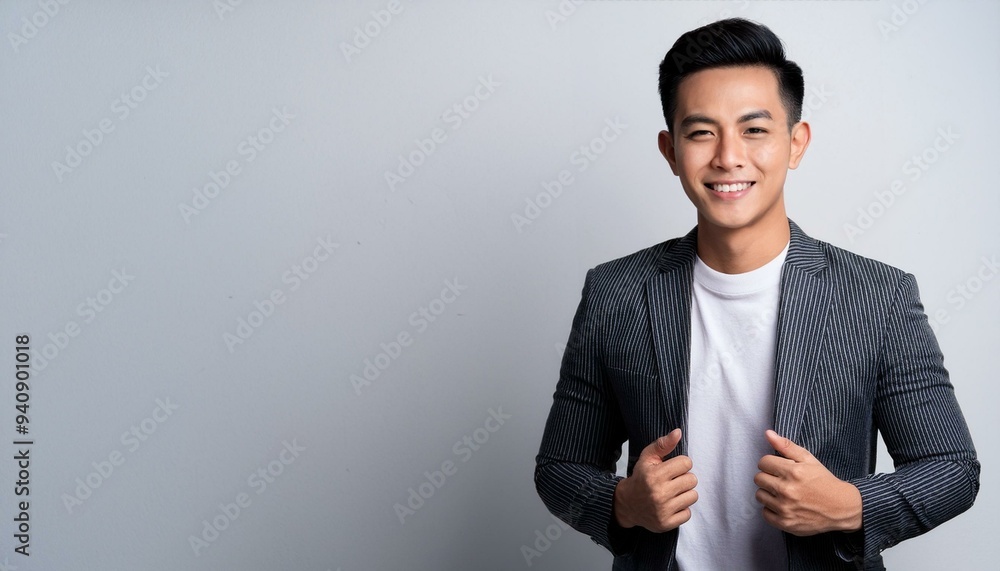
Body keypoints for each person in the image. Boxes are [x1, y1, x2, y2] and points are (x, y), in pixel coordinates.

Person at [534, 18, 979, 570]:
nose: (727, 157)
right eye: (701, 133)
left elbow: (953, 468)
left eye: (754, 129)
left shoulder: (878, 297)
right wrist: (623, 504)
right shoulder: (615, 293)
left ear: (796, 143)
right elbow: (559, 467)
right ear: (670, 151)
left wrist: (851, 504)